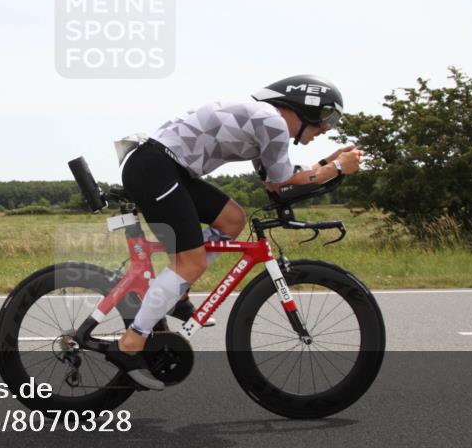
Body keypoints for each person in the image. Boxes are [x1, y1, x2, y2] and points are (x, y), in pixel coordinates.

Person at [105, 75, 364, 390]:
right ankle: (131, 343)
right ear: (306, 106)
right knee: (190, 263)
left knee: (231, 220)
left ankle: (176, 293)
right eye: (327, 117)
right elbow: (283, 183)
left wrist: (327, 163)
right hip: (156, 167)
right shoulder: (273, 122)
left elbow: (277, 184)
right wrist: (337, 168)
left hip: (167, 167)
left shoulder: (266, 122)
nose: (326, 128)